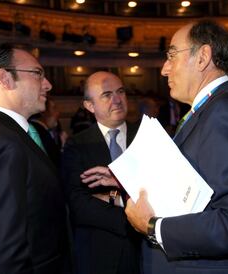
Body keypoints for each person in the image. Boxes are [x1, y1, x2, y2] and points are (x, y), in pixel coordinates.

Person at [125, 20, 228, 274]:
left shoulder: (227, 113)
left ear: (203, 57)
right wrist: (131, 181)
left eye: (171, 55)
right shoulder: (212, 109)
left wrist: (153, 227)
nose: (165, 69)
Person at [0, 44, 69, 274]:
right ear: (5, 78)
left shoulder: (1, 136)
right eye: (38, 74)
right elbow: (5, 257)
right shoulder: (1, 144)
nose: (48, 84)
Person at [62, 71, 141, 274]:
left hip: (149, 253)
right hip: (101, 254)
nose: (117, 100)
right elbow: (79, 204)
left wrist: (112, 197)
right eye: (107, 94)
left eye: (120, 92)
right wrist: (136, 219)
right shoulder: (77, 144)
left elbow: (161, 187)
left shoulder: (147, 135)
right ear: (89, 106)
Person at [29, 99, 67, 168]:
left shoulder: (47, 130)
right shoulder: (37, 132)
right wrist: (63, 147)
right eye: (54, 108)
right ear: (43, 112)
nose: (58, 112)